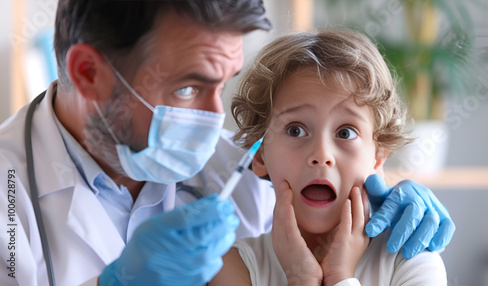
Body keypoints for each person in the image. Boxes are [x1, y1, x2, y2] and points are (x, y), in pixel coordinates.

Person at [0, 1, 453, 286]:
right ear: (87, 74)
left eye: (222, 84)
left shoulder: (249, 164)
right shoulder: (8, 192)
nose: (216, 119)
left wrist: (385, 191)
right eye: (186, 88)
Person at [209, 30, 448, 285]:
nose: (321, 155)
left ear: (378, 158)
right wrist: (301, 278)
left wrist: (340, 277)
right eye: (295, 130)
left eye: (345, 132)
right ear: (259, 157)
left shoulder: (412, 263)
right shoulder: (234, 267)